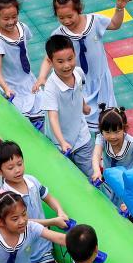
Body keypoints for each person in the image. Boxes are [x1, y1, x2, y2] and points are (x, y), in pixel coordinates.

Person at [35, 0, 131, 130]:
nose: (66, 21)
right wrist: (42, 77)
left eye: (70, 16)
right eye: (61, 18)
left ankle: (105, 141)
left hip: (101, 81)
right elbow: (49, 59)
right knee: (80, 120)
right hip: (79, 84)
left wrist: (119, 8)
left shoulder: (94, 21)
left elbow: (114, 24)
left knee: (106, 119)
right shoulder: (59, 34)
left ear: (78, 9)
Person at [0, 0, 44, 130]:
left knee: (41, 108)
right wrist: (6, 89)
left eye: (14, 17)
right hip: (11, 85)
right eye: (6, 18)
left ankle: (37, 122)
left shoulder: (22, 28)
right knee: (20, 118)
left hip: (28, 80)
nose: (11, 21)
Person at [90, 105, 133, 212]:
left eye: (117, 132)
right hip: (113, 177)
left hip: (132, 179)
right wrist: (96, 170)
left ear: (124, 129)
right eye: (108, 132)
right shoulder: (102, 138)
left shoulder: (132, 143)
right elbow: (96, 154)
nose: (112, 136)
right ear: (101, 131)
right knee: (114, 201)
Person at [40, 36, 93, 176]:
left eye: (70, 59)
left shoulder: (78, 73)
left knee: (91, 174)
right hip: (61, 143)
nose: (67, 65)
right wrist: (62, 142)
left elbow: (79, 90)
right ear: (50, 62)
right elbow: (53, 117)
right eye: (60, 61)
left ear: (75, 55)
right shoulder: (51, 88)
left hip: (81, 136)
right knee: (68, 177)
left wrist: (84, 106)